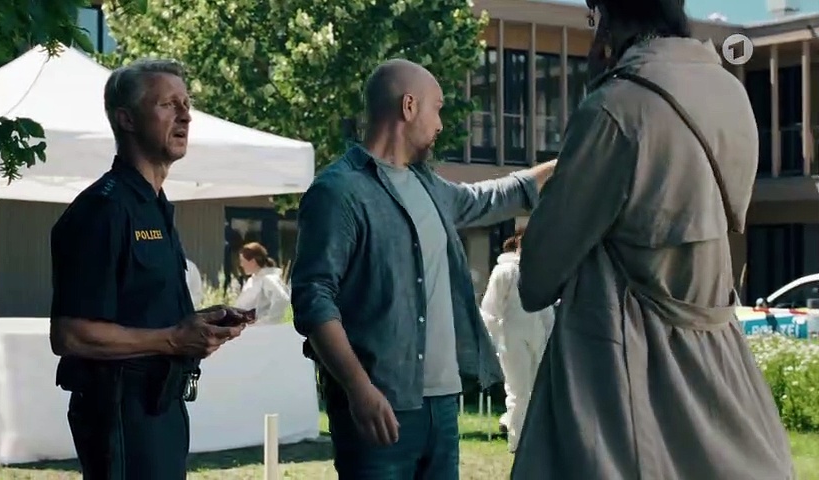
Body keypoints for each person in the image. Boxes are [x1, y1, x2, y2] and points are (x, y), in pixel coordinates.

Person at [511, 1, 793, 478]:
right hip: (721, 367)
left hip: (625, 372)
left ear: (610, 17)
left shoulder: (614, 107)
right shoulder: (731, 92)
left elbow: (537, 276)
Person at [291, 58, 556, 479]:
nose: (441, 124)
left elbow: (494, 196)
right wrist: (359, 388)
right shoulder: (337, 192)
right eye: (438, 108)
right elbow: (312, 299)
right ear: (409, 106)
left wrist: (566, 162)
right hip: (379, 407)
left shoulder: (429, 186)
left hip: (443, 406)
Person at [49, 58, 251, 480]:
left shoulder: (155, 205)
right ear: (126, 119)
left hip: (162, 406)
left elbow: (144, 310)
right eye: (167, 104)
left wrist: (199, 324)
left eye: (186, 104)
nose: (185, 116)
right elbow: (70, 335)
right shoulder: (103, 210)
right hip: (120, 413)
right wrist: (174, 339)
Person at [479, 227, 554, 453]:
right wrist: (493, 340)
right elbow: (490, 309)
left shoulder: (540, 271)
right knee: (518, 391)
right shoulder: (504, 271)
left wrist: (550, 335)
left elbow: (546, 309)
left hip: (536, 334)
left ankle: (533, 439)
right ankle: (518, 443)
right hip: (511, 336)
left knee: (538, 390)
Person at [234, 242, 290, 325]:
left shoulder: (268, 279)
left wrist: (266, 322)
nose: (241, 265)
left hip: (261, 330)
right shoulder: (252, 280)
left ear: (253, 261)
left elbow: (281, 299)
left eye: (243, 261)